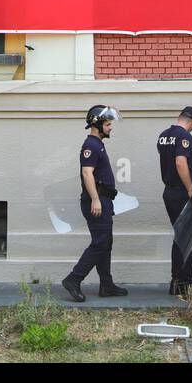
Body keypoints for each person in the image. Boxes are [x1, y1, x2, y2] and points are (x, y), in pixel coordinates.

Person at [62, 105, 128, 301]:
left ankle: (106, 285)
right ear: (97, 124)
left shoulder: (97, 144)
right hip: (97, 202)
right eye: (108, 124)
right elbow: (86, 173)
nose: (110, 128)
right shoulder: (90, 145)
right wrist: (96, 200)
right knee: (100, 242)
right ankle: (73, 279)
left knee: (105, 243)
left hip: (104, 200)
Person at [157, 106, 192, 301]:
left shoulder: (163, 136)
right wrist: (190, 189)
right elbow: (180, 162)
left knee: (180, 239)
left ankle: (176, 283)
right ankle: (188, 285)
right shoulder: (184, 137)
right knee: (188, 239)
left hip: (169, 191)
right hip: (182, 193)